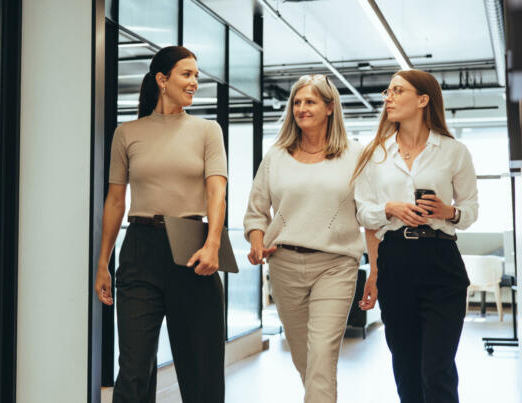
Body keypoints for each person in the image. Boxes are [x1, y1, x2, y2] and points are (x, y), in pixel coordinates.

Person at [93, 46, 227, 403]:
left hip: (191, 247)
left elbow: (217, 193)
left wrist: (213, 243)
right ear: (162, 80)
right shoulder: (127, 133)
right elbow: (116, 201)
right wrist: (103, 263)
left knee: (201, 371)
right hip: (140, 248)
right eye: (187, 74)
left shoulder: (207, 131)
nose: (195, 82)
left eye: (197, 75)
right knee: (134, 369)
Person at [353, 69, 478, 402]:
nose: (387, 97)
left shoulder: (454, 151)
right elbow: (362, 213)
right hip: (395, 260)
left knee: (436, 370)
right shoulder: (374, 155)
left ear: (423, 100)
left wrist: (446, 211)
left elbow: (470, 210)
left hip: (441, 262)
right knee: (406, 369)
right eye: (387, 92)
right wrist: (389, 209)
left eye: (397, 91)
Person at [244, 74, 364, 403]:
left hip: (336, 265)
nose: (301, 108)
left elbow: (371, 214)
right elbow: (256, 211)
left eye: (309, 102)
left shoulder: (355, 155)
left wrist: (378, 269)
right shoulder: (276, 156)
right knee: (304, 360)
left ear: (329, 108)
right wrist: (257, 240)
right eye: (296, 102)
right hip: (284, 266)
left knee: (322, 357)